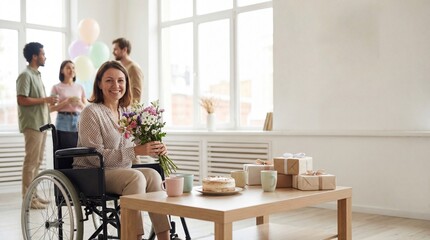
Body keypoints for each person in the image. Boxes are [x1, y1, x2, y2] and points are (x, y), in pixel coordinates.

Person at [73, 61, 171, 240]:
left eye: (120, 80)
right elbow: (95, 157)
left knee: (154, 175)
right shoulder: (91, 112)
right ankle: (133, 237)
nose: (116, 86)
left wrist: (156, 147)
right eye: (109, 80)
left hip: (120, 171)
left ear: (126, 83)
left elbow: (139, 142)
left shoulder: (126, 111)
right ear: (100, 84)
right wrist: (136, 151)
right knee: (136, 177)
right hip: (92, 173)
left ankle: (165, 237)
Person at [16, 42, 58, 209]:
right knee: (31, 162)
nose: (44, 57)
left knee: (37, 161)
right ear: (35, 56)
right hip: (32, 125)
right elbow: (21, 99)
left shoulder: (36, 75)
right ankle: (29, 199)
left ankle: (34, 194)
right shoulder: (26, 75)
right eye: (42, 54)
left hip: (41, 124)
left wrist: (47, 103)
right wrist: (46, 100)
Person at [49, 60, 87, 132]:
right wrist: (66, 102)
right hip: (62, 120)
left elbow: (86, 108)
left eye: (73, 68)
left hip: (78, 120)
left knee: (78, 143)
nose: (71, 70)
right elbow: (51, 109)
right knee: (62, 143)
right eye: (68, 68)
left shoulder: (80, 87)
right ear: (62, 71)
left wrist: (80, 103)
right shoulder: (56, 87)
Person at [112, 37, 143, 103]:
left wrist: (129, 112)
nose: (113, 52)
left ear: (124, 50)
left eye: (116, 49)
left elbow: (136, 94)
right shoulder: (121, 67)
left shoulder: (133, 68)